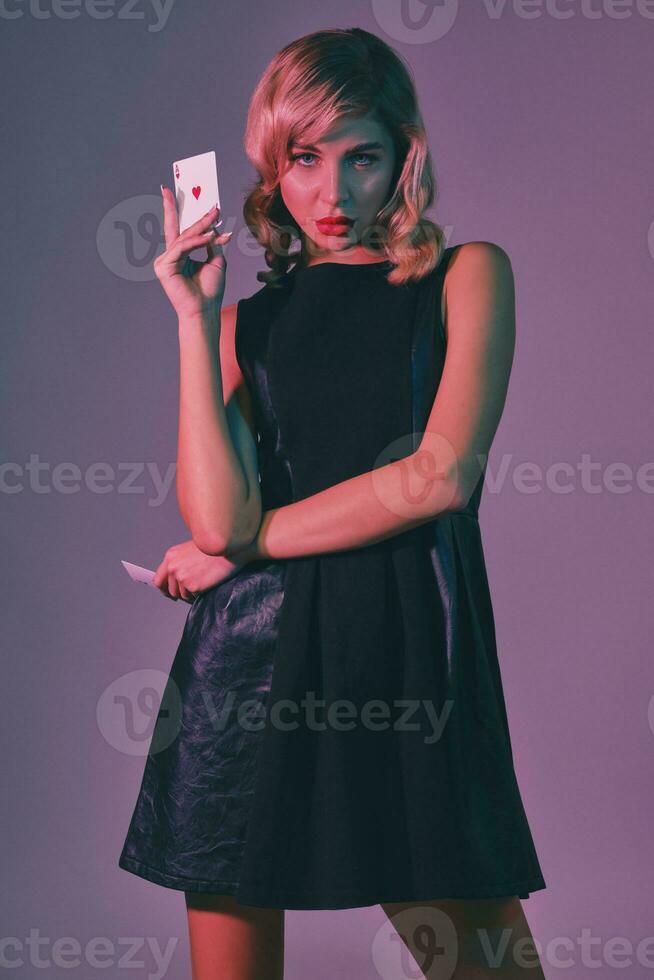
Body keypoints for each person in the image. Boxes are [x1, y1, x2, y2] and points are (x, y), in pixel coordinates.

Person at [118, 27, 548, 980]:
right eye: (305, 160)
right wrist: (194, 322)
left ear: (404, 158)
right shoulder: (243, 323)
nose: (333, 192)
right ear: (274, 166)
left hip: (401, 655)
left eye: (363, 157)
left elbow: (437, 477)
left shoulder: (466, 275)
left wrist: (246, 549)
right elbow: (214, 522)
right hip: (250, 666)